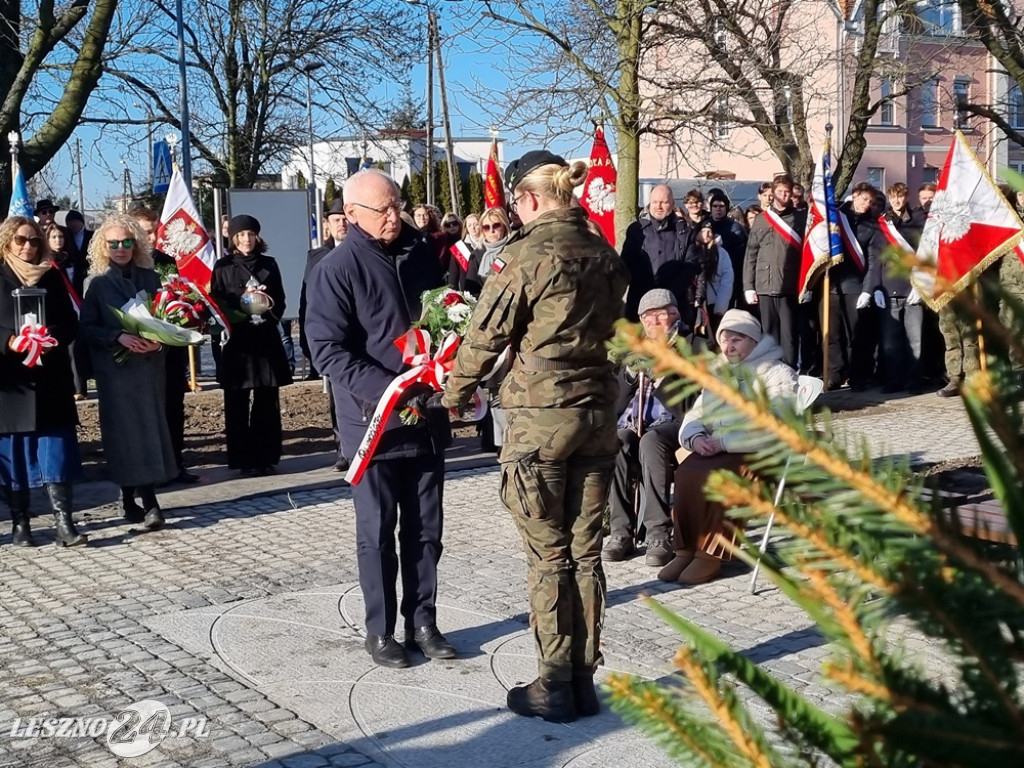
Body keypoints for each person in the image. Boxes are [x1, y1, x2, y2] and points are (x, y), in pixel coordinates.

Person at [442, 150, 630, 723]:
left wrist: (452, 395)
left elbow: (485, 335)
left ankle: (554, 684)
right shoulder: (606, 253)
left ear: (526, 200)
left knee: (549, 556)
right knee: (585, 554)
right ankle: (583, 679)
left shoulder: (525, 256)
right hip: (597, 418)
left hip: (541, 422)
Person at [306, 169, 454, 670]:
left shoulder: (421, 257)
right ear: (351, 215)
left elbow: (442, 319)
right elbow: (327, 350)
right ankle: (381, 629)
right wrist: (388, 393)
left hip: (426, 414)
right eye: (382, 210)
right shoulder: (335, 269)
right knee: (377, 531)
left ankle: (424, 621)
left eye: (397, 205)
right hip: (374, 422)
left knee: (426, 528)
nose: (395, 216)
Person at [660, 309, 797, 584]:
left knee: (718, 477)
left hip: (758, 452)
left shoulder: (777, 373)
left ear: (754, 342)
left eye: (738, 339)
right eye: (725, 340)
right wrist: (696, 438)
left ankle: (710, 555)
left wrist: (724, 441)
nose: (729, 346)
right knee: (686, 471)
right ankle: (686, 549)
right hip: (717, 447)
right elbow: (696, 415)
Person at [79, 214, 178, 529]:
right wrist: (117, 336)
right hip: (116, 370)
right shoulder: (94, 282)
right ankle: (140, 500)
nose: (120, 248)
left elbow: (165, 318)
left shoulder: (150, 278)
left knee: (149, 430)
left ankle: (143, 498)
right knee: (125, 433)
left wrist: (158, 342)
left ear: (136, 244)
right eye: (113, 243)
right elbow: (86, 327)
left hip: (148, 367)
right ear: (103, 246)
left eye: (126, 242)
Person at [0, 217, 87, 547]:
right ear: (8, 241)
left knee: (56, 451)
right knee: (14, 455)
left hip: (50, 378)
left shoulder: (53, 275)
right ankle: (20, 524)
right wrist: (8, 340)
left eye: (35, 240)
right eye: (21, 240)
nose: (28, 246)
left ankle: (64, 522)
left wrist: (50, 336)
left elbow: (70, 324)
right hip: (11, 381)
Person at [603, 289, 688, 567]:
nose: (653, 322)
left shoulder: (693, 346)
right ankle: (620, 532)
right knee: (615, 440)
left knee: (651, 442)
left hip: (675, 425)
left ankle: (658, 534)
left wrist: (662, 379)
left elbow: (690, 407)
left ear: (674, 314)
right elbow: (616, 407)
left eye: (660, 315)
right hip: (634, 422)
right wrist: (628, 375)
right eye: (647, 317)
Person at [211, 215, 292, 475]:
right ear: (233, 238)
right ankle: (242, 459)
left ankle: (265, 456)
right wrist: (238, 309)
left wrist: (265, 305)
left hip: (265, 339)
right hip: (239, 343)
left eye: (251, 234)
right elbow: (217, 301)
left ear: (257, 237)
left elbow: (279, 298)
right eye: (241, 235)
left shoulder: (269, 264)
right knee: (237, 402)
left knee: (267, 401)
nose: (246, 240)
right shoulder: (223, 266)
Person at [130, 207, 199, 484]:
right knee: (145, 408)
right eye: (143, 231)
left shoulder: (166, 261)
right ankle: (147, 467)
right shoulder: (126, 265)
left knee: (173, 404)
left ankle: (175, 463)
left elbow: (179, 293)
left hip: (170, 348)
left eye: (153, 230)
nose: (150, 237)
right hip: (139, 349)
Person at [299, 199, 350, 472]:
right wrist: (308, 341)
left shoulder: (365, 251)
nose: (342, 223)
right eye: (336, 219)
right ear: (327, 224)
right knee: (336, 397)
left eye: (345, 217)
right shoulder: (316, 257)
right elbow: (306, 300)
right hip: (332, 336)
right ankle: (342, 448)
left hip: (360, 335)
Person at [742, 176, 806, 367]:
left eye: (787, 192)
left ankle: (789, 370)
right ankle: (771, 371)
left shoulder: (800, 218)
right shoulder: (762, 219)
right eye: (780, 192)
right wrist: (748, 286)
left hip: (789, 285)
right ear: (773, 193)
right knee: (769, 336)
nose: (783, 196)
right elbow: (751, 253)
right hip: (764, 284)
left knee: (789, 335)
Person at [829, 182, 883, 390]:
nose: (866, 204)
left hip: (856, 287)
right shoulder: (835, 216)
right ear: (854, 196)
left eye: (870, 201)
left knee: (857, 337)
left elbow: (873, 261)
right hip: (832, 284)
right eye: (863, 199)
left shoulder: (872, 225)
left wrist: (868, 290)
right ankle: (834, 375)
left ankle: (857, 375)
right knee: (833, 335)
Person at [620, 183, 701, 323]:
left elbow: (691, 266)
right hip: (640, 303)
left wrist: (667, 295)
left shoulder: (685, 232)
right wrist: (650, 294)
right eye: (655, 202)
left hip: (675, 305)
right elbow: (627, 264)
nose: (659, 206)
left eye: (664, 202)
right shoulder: (636, 230)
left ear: (673, 203)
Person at [693, 220, 735, 345]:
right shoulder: (692, 251)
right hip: (695, 302)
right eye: (703, 231)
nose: (707, 234)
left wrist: (721, 306)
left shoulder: (721, 253)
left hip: (713, 303)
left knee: (714, 339)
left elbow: (727, 280)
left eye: (709, 231)